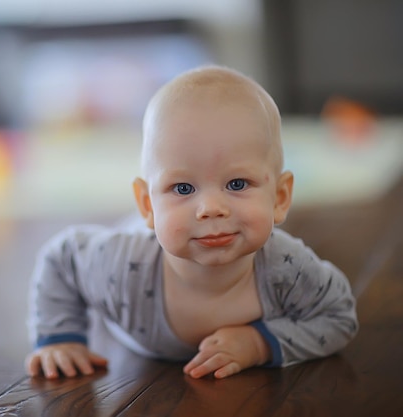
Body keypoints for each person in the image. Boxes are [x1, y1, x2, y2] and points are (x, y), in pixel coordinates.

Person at [24, 65, 358, 380]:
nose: (210, 209)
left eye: (237, 184)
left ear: (280, 197)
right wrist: (59, 337)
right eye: (183, 188)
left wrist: (258, 344)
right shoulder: (120, 266)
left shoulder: (287, 268)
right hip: (137, 249)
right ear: (147, 204)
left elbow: (338, 318)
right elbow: (63, 257)